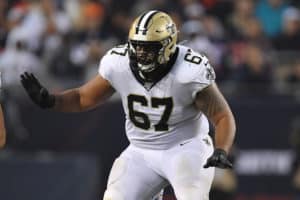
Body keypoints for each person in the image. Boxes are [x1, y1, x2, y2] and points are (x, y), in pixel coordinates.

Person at [20, 10, 236, 200]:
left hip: (186, 147)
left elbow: (222, 115)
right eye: (137, 46)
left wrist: (221, 149)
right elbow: (82, 98)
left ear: (168, 46)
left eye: (148, 48)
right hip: (141, 150)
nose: (141, 53)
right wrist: (51, 101)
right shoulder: (119, 63)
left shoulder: (188, 71)